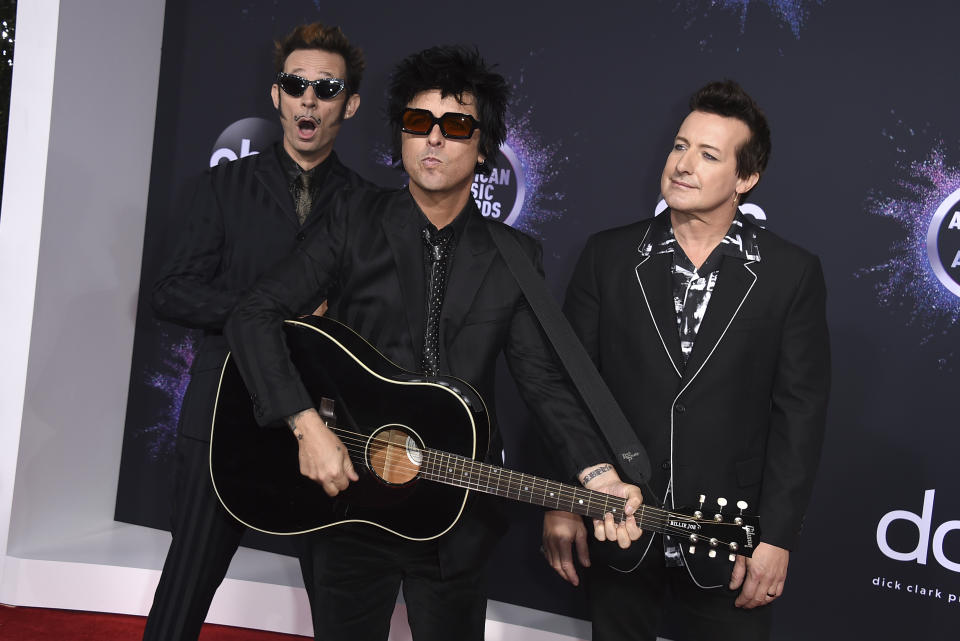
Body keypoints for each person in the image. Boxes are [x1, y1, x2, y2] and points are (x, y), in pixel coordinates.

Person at [224, 45, 641, 641]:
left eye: (456, 126)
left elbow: (545, 383)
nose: (434, 140)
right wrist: (303, 424)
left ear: (483, 145)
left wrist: (597, 474)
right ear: (400, 135)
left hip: (456, 517)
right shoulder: (351, 218)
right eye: (418, 123)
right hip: (349, 503)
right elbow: (254, 314)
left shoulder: (514, 257)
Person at [541, 80, 830, 641]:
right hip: (619, 528)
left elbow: (800, 414)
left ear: (746, 179)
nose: (683, 164)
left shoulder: (790, 274)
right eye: (679, 146)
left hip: (730, 540)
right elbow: (567, 389)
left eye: (709, 154)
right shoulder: (606, 257)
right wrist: (562, 502)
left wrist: (777, 539)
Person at [143, 22, 370, 641]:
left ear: (348, 104)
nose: (309, 100)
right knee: (183, 590)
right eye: (296, 84)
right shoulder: (221, 187)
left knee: (340, 601)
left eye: (326, 88)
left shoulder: (368, 206)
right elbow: (171, 291)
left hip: (326, 424)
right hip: (221, 415)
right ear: (277, 95)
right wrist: (266, 310)